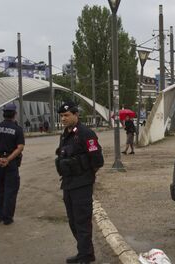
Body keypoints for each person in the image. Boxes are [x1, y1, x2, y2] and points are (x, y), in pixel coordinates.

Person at [55, 101, 104, 264]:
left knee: (82, 222)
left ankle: (85, 256)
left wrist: (86, 177)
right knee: (73, 221)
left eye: (67, 115)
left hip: (81, 185)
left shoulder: (86, 134)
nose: (63, 118)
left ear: (76, 115)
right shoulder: (66, 134)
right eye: (61, 116)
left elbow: (97, 160)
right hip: (68, 184)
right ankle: (85, 252)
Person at [0, 103, 25, 225]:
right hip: (11, 163)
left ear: (3, 114)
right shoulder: (17, 129)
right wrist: (8, 159)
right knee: (11, 189)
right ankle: (7, 217)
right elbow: (20, 147)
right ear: (15, 114)